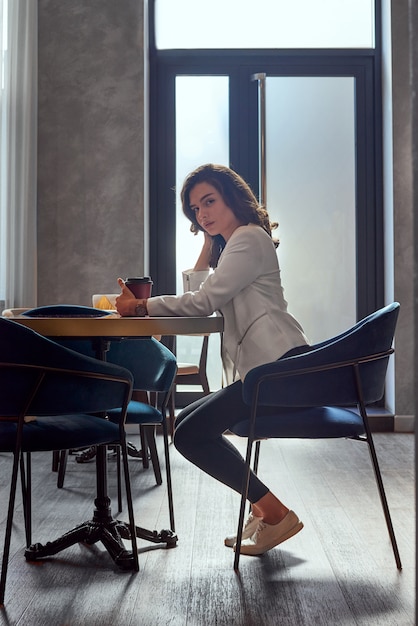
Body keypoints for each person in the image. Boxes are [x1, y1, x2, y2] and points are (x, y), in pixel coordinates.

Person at [116, 163, 310, 555]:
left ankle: (274, 513)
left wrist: (140, 308)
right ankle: (266, 509)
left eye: (209, 202)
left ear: (233, 198)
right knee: (185, 426)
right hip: (267, 368)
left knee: (188, 434)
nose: (202, 214)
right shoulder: (236, 242)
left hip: (278, 366)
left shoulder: (249, 238)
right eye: (195, 209)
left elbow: (202, 301)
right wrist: (209, 241)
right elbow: (200, 295)